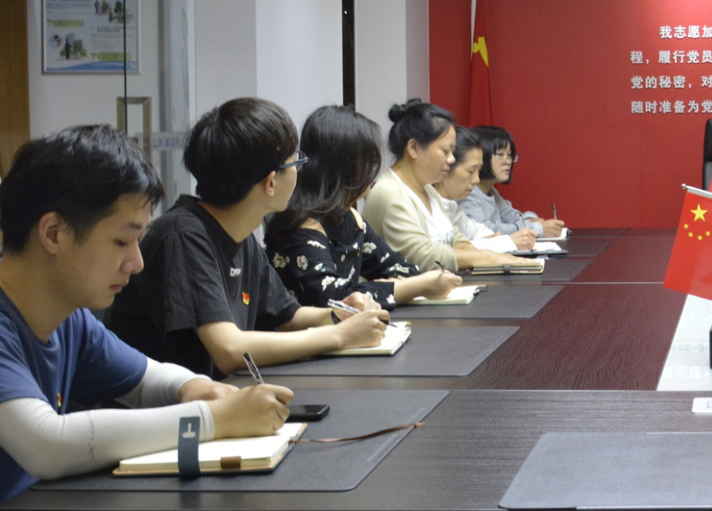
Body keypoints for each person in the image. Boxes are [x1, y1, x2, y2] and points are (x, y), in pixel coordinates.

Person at [0, 125, 291, 500]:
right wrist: (214, 418)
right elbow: (48, 446)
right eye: (122, 240)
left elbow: (147, 380)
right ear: (54, 233)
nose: (136, 262)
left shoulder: (69, 320)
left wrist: (196, 388)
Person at [109, 98, 388, 378]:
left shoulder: (238, 232)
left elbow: (288, 316)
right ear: (271, 183)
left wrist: (340, 313)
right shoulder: (183, 235)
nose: (299, 171)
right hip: (175, 402)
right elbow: (229, 350)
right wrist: (339, 336)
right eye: (296, 162)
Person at [264, 106, 462, 309]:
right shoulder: (302, 228)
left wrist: (377, 289)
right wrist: (412, 287)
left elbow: (404, 268)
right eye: (368, 161)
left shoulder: (349, 217)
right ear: (341, 164)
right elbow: (337, 299)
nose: (374, 170)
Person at [362, 100, 533, 271]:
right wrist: (491, 257)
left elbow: (457, 240)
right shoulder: (391, 193)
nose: (451, 159)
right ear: (413, 148)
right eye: (445, 151)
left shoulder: (427, 189)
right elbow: (425, 257)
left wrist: (497, 256)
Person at [437, 127, 541, 253]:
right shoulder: (426, 205)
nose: (476, 179)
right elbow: (450, 251)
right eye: (471, 171)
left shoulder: (452, 207)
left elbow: (478, 232)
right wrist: (507, 241)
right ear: (446, 166)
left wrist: (500, 238)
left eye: (509, 155)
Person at [460, 125, 564, 244]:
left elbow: (510, 215)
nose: (508, 161)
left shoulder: (491, 190)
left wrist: (530, 219)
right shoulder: (468, 191)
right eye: (500, 155)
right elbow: (486, 231)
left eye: (509, 155)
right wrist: (536, 228)